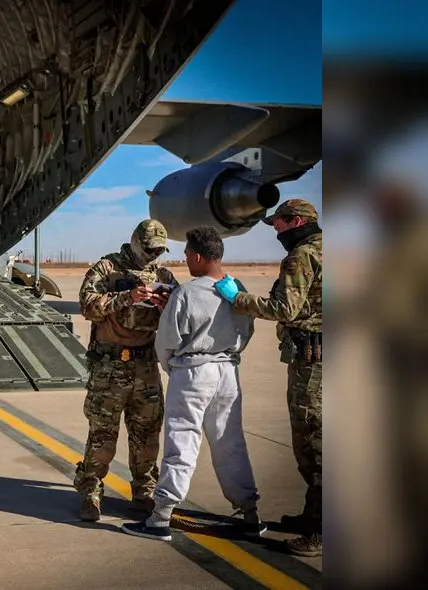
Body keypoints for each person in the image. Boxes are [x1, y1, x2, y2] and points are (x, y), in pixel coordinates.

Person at [121, 227, 265, 542]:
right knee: (230, 443)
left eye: (187, 254)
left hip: (193, 372)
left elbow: (167, 341)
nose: (186, 260)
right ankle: (250, 513)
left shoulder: (186, 293)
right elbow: (247, 330)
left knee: (182, 443)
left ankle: (161, 517)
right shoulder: (237, 290)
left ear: (198, 256)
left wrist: (173, 367)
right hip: (227, 372)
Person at [215, 198, 323, 557]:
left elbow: (284, 309)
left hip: (313, 364)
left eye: (278, 222)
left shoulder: (301, 256)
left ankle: (321, 531)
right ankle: (312, 516)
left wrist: (238, 298)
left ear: (295, 222)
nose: (275, 229)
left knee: (313, 443)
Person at [75, 219, 179, 520]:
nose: (153, 255)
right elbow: (87, 305)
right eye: (150, 249)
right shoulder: (107, 268)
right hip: (110, 366)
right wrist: (126, 297)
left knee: (147, 434)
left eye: (159, 251)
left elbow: (180, 316)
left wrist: (166, 305)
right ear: (135, 242)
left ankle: (144, 492)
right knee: (102, 434)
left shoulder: (163, 275)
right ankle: (91, 491)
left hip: (145, 366)